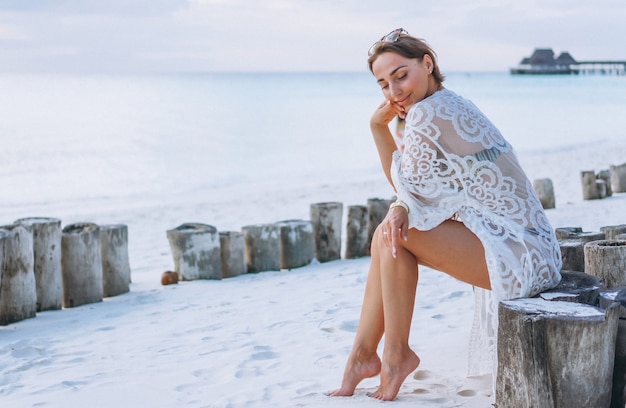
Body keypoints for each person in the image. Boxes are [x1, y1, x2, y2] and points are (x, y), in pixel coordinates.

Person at [329, 28, 562, 401]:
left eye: (401, 75)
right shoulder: (449, 102)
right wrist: (401, 206)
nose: (394, 92)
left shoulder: (426, 114)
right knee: (388, 232)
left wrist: (377, 128)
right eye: (383, 85)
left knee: (393, 235)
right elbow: (425, 193)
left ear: (427, 62)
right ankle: (369, 356)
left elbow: (411, 192)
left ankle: (388, 356)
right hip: (535, 249)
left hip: (521, 256)